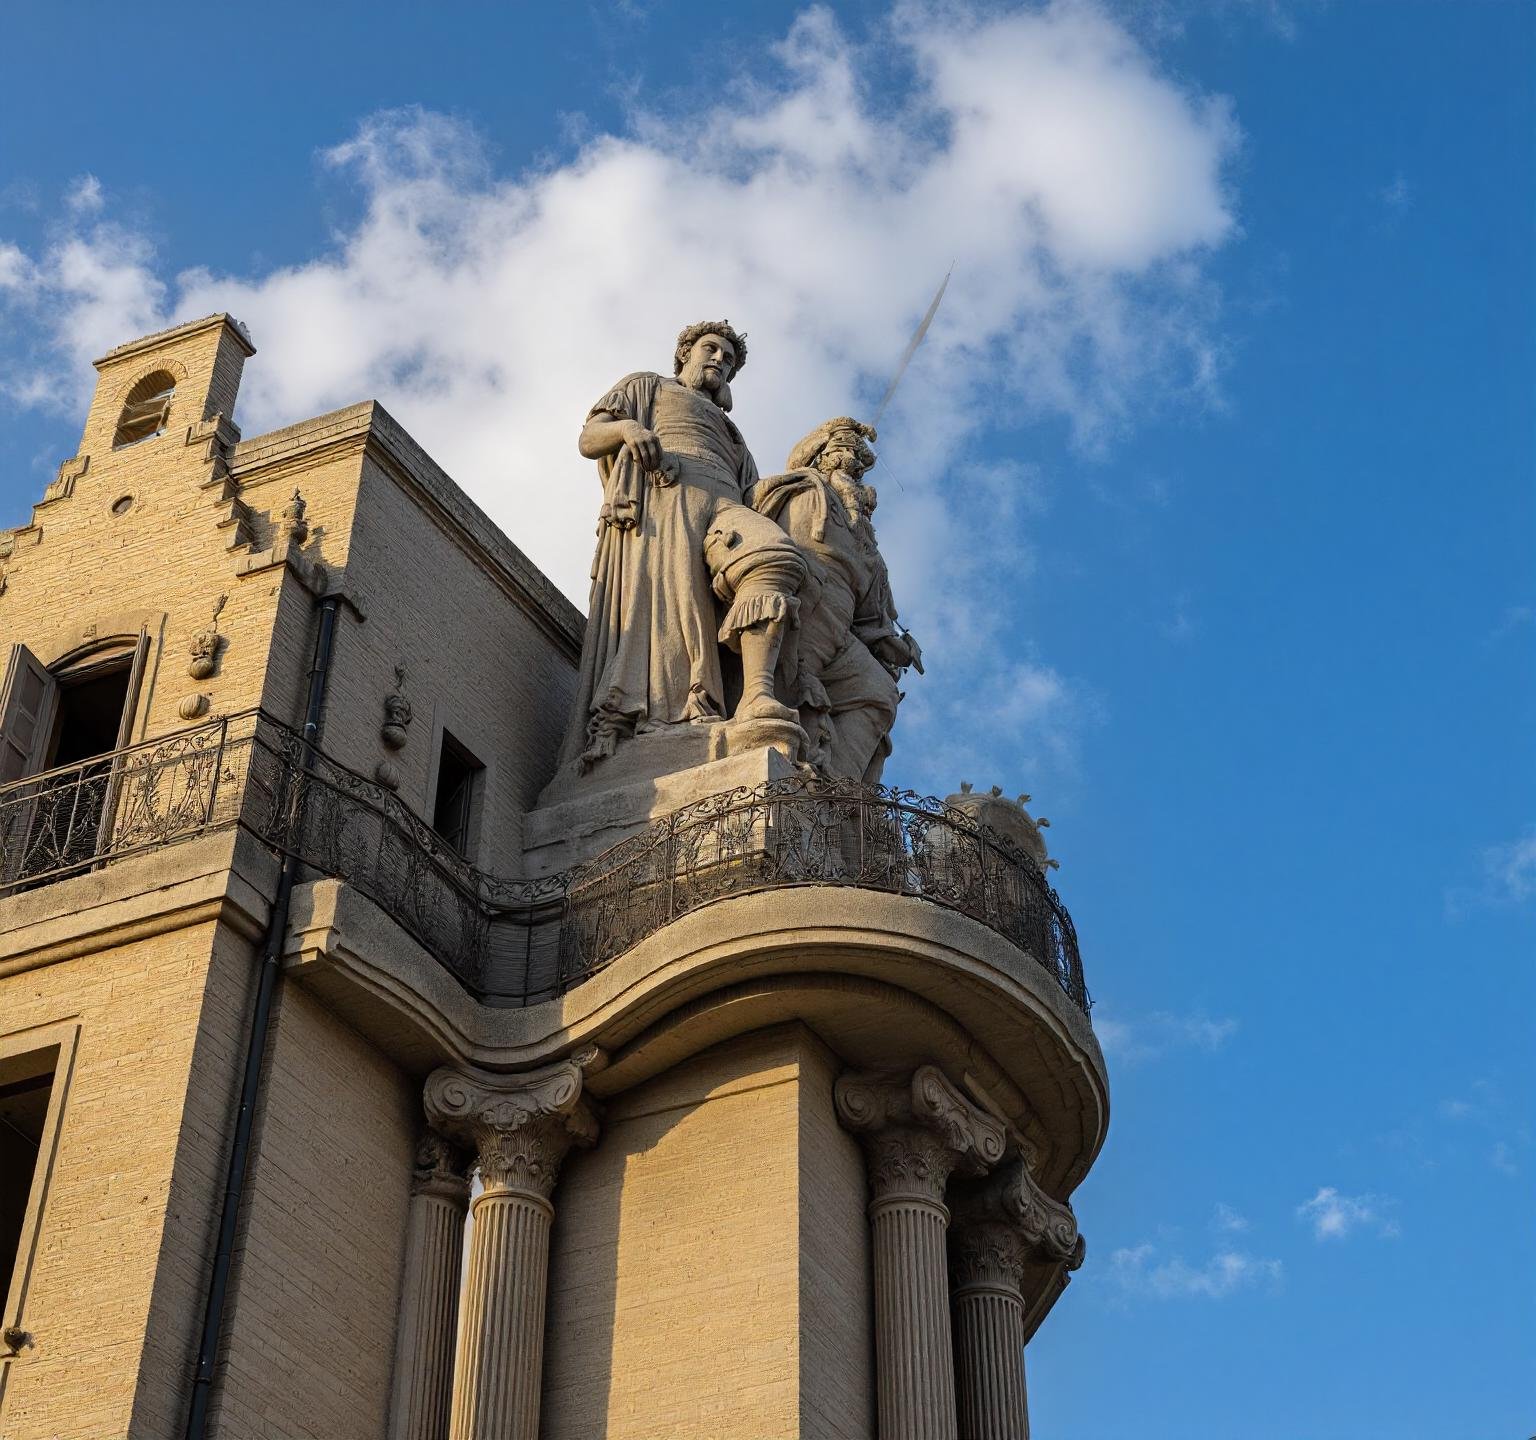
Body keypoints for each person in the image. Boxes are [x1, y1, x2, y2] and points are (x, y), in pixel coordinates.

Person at [560, 322, 807, 770]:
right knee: (672, 614)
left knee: (776, 558)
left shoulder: (733, 435)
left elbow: (752, 492)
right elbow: (589, 438)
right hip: (666, 503)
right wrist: (627, 430)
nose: (719, 360)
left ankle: (757, 695)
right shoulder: (647, 386)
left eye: (728, 359)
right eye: (710, 349)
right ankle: (673, 713)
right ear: (684, 353)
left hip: (725, 506)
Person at [751, 417, 921, 783]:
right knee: (795, 685)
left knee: (878, 692)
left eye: (860, 460)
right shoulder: (802, 492)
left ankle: (835, 789)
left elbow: (871, 615)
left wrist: (896, 645)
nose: (854, 463)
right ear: (819, 457)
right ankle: (790, 758)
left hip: (841, 629)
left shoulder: (865, 539)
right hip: (804, 605)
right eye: (843, 451)